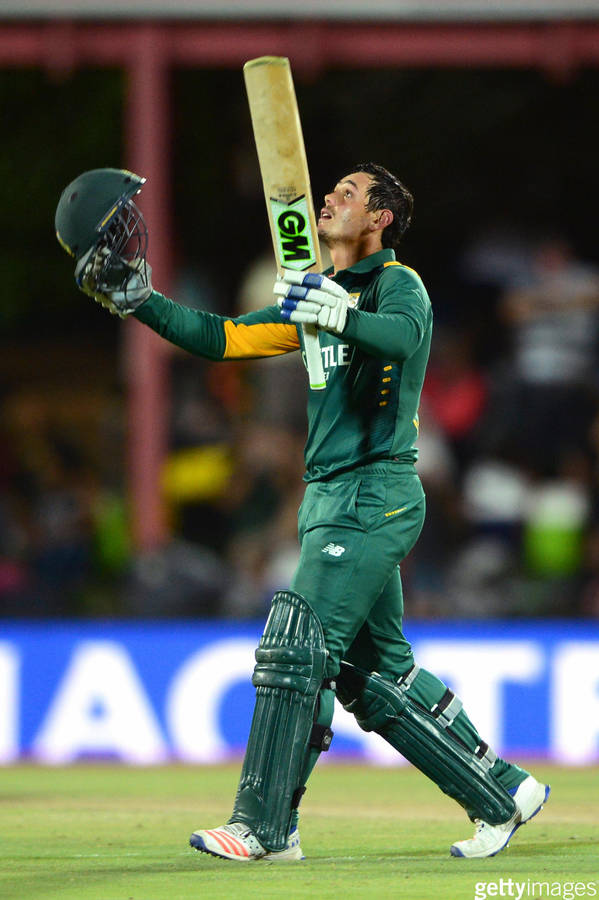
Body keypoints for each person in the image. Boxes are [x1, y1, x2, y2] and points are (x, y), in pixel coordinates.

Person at [56, 163, 549, 861]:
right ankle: (500, 791)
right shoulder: (312, 298)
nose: (330, 198)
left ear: (380, 218)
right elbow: (223, 338)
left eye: (348, 193)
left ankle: (263, 826)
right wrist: (141, 301)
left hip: (374, 493)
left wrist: (338, 313)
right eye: (333, 190)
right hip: (326, 499)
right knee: (370, 677)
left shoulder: (393, 284)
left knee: (295, 643)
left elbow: (403, 340)